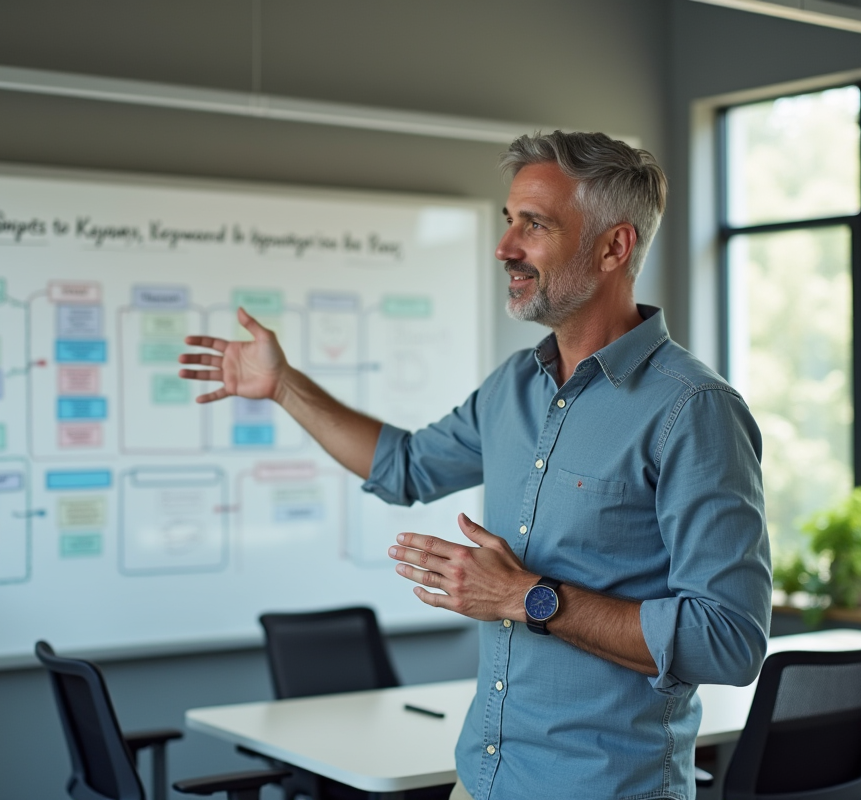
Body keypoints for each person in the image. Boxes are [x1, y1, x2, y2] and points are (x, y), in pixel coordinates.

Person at [178, 131, 771, 800]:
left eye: (534, 225)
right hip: (484, 783)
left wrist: (528, 598)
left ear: (615, 246)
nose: (505, 247)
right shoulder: (515, 386)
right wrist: (284, 387)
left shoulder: (693, 410)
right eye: (508, 221)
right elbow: (403, 466)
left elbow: (729, 640)